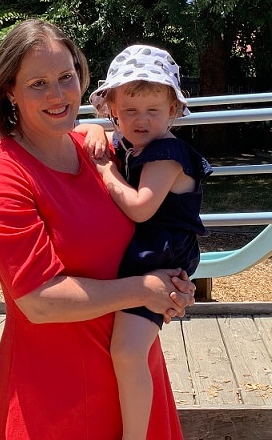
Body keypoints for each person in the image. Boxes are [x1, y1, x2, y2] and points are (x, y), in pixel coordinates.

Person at [0, 19, 195, 439]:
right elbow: (39, 300)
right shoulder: (2, 178)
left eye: (66, 77)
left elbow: (156, 231)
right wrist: (146, 290)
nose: (57, 95)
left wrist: (174, 285)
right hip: (57, 396)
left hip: (132, 380)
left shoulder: (100, 150)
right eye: (38, 83)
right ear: (9, 93)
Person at [81, 44, 212, 440]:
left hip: (161, 255)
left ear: (173, 110)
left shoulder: (166, 154)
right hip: (150, 255)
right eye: (130, 111)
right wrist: (94, 130)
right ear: (113, 110)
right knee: (125, 350)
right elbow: (95, 133)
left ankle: (134, 436)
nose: (141, 120)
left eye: (153, 111)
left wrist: (104, 169)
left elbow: (140, 208)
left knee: (127, 352)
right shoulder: (138, 146)